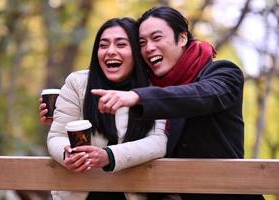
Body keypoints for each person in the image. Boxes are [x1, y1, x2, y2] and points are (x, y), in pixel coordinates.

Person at [91, 6, 265, 200]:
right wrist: (56, 115)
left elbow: (200, 95)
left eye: (156, 38)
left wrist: (139, 97)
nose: (149, 48)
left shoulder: (223, 73)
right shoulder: (147, 85)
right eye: (142, 42)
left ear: (182, 38)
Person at [44, 17, 167, 200]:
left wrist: (109, 156)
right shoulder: (78, 83)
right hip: (78, 192)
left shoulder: (153, 89)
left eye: (121, 44)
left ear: (136, 51)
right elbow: (57, 136)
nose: (110, 51)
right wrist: (67, 154)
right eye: (103, 45)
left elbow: (158, 142)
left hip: (132, 192)